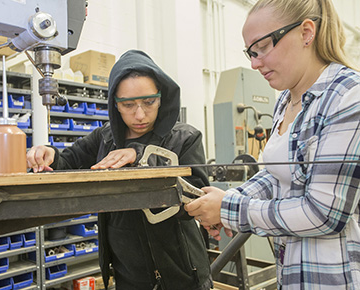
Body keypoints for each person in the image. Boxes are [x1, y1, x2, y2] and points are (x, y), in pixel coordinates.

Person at [185, 0, 360, 289]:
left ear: (306, 33)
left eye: (263, 47)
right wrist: (227, 199)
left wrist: (230, 209)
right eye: (250, 53)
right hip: (292, 276)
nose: (254, 63)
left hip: (332, 279)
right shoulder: (286, 100)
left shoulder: (348, 97)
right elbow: (275, 174)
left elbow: (324, 213)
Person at [27, 50, 213, 290]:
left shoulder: (185, 138)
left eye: (149, 102)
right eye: (127, 105)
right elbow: (69, 161)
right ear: (115, 104)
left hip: (182, 274)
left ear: (162, 97)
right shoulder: (104, 139)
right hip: (128, 276)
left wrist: (141, 156)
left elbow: (196, 201)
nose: (139, 114)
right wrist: (51, 155)